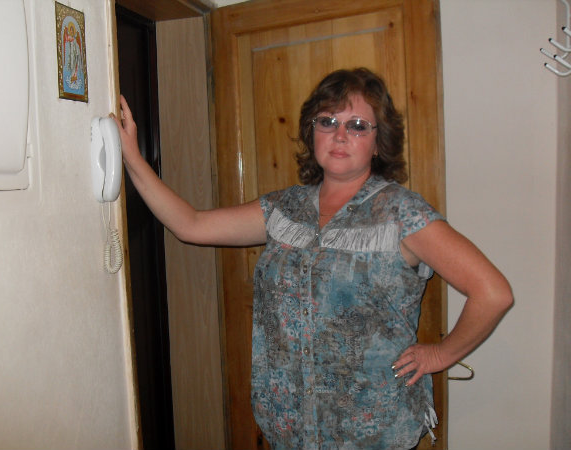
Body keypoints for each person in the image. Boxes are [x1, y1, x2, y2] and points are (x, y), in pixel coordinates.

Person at [113, 68, 513, 450]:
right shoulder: (284, 208)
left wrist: (440, 354)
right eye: (328, 121)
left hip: (372, 431)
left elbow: (493, 293)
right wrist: (132, 155)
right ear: (312, 131)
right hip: (289, 424)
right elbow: (191, 225)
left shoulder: (400, 213)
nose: (340, 134)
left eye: (358, 125)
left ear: (379, 142)